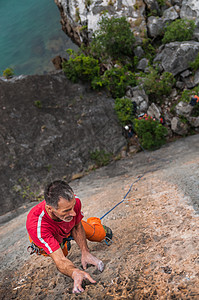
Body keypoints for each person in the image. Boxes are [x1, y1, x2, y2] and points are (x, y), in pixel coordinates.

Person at [26, 180, 112, 294]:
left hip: (68, 226)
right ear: (50, 209)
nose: (74, 213)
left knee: (98, 234)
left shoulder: (74, 201)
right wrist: (74, 272)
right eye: (66, 210)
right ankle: (64, 242)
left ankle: (94, 222)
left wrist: (85, 251)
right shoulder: (37, 226)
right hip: (49, 234)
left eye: (72, 207)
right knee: (63, 254)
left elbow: (77, 225)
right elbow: (60, 259)